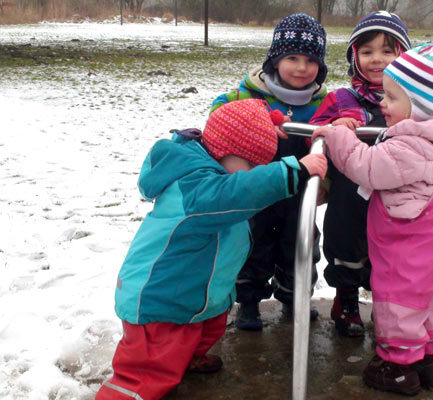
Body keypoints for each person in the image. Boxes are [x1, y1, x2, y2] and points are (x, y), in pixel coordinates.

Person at [96, 99, 327, 400]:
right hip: (161, 302)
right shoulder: (196, 187)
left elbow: (238, 163)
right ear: (224, 152)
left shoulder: (214, 166)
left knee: (207, 328)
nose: (252, 173)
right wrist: (291, 172)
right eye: (251, 165)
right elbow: (238, 192)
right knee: (146, 372)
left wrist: (264, 124)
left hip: (195, 294)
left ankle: (187, 358)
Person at [312, 40, 433, 396]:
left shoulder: (411, 146)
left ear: (421, 108)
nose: (383, 104)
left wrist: (338, 136)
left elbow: (366, 168)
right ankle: (430, 365)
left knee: (401, 305)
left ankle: (397, 369)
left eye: (393, 98)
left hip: (410, 249)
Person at [211, 13, 328, 331]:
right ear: (275, 60)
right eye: (292, 58)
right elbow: (220, 111)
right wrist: (253, 119)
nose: (302, 68)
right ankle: (248, 302)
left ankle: (295, 296)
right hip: (257, 188)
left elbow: (339, 126)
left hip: (299, 192)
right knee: (252, 243)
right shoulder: (249, 93)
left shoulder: (323, 103)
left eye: (310, 60)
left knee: (302, 242)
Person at [309, 11, 412, 337]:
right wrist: (331, 128)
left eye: (387, 51)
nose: (376, 59)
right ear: (355, 57)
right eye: (367, 52)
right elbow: (312, 133)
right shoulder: (341, 99)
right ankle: (347, 299)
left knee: (393, 254)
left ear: (403, 56)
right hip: (349, 195)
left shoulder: (411, 101)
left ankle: (388, 305)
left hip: (395, 193)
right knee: (347, 243)